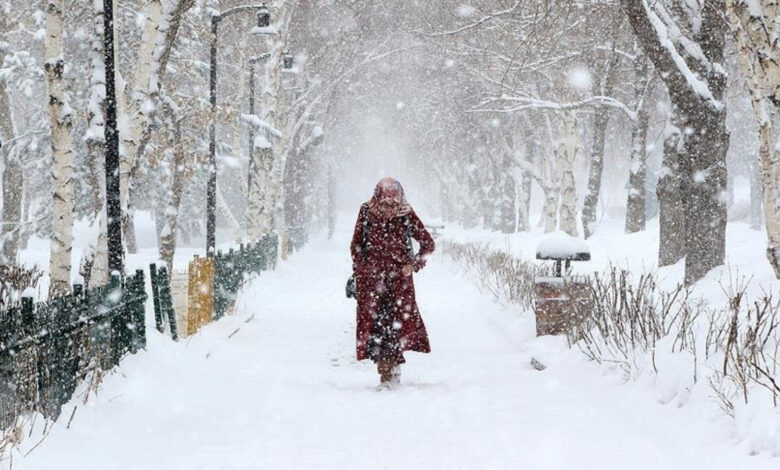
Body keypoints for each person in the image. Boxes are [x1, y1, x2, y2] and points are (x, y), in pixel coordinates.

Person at [350, 177, 435, 389]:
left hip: (399, 285)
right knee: (377, 329)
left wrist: (413, 265)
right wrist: (362, 269)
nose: (389, 207)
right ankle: (386, 371)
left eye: (393, 203)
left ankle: (390, 371)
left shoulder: (406, 214)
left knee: (394, 328)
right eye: (385, 202)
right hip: (372, 284)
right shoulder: (366, 212)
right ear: (378, 197)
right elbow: (356, 245)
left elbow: (428, 244)